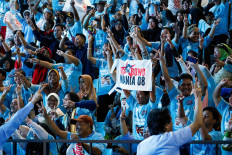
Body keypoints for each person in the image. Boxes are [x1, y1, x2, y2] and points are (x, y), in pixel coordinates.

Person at [137, 84, 203, 154]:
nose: (172, 124)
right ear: (166, 125)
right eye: (171, 121)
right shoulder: (171, 139)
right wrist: (198, 98)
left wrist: (180, 103)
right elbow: (198, 123)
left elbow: (182, 117)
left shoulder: (141, 146)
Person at [0, 86, 45, 151]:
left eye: (15, 104)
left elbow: (20, 113)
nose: (12, 105)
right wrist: (33, 100)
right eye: (12, 103)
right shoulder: (8, 113)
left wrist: (19, 94)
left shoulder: (24, 117)